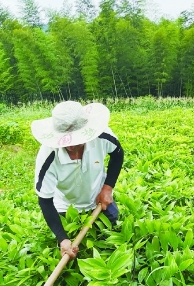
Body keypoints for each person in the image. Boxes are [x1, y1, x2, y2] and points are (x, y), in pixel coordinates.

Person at [31, 100, 124, 259]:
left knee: (115, 234)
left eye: (76, 140)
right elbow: (45, 200)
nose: (71, 146)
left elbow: (118, 153)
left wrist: (108, 188)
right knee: (71, 253)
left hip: (98, 199)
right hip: (66, 206)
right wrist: (63, 238)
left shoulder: (102, 136)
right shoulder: (48, 156)